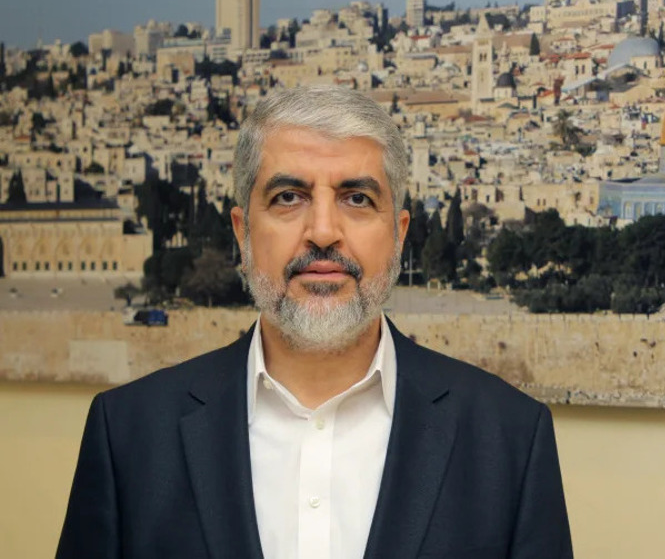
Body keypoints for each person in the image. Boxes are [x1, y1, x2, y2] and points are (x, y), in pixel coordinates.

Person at [56, 85, 573, 559]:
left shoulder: (509, 440)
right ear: (243, 232)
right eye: (288, 198)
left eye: (356, 199)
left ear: (398, 234)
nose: (323, 232)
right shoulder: (128, 434)